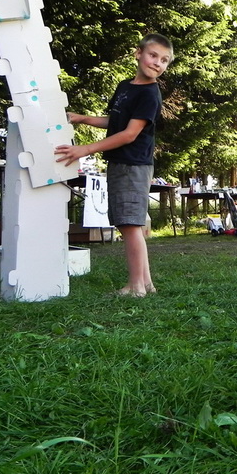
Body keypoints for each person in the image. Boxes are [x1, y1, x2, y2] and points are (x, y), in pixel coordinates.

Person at [55, 33, 173, 297]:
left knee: (130, 225)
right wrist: (83, 118)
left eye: (164, 60)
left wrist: (85, 149)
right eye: (153, 55)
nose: (157, 63)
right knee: (129, 224)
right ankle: (147, 284)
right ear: (138, 53)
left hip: (134, 165)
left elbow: (129, 134)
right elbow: (116, 122)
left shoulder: (150, 94)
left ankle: (136, 287)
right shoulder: (125, 86)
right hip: (121, 163)